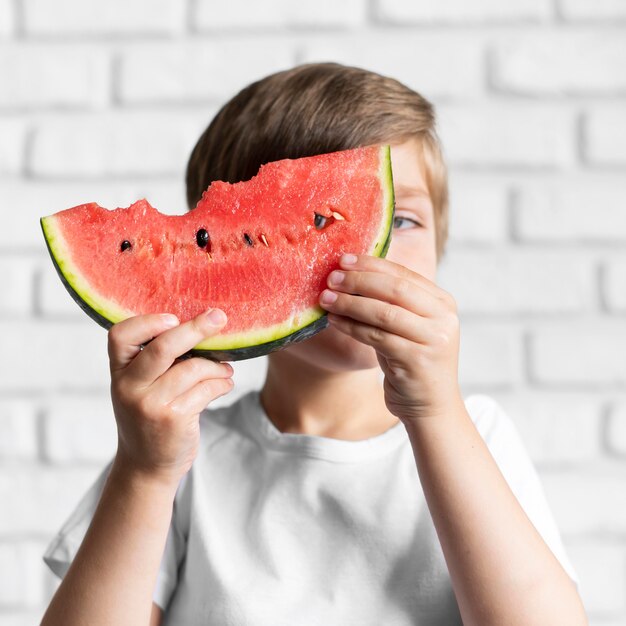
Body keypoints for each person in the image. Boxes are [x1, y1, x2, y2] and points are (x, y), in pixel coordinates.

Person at [41, 63, 587, 626]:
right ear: (217, 251)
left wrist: (436, 413)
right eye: (313, 223)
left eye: (400, 220)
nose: (368, 253)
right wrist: (144, 472)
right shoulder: (179, 456)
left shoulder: (477, 435)